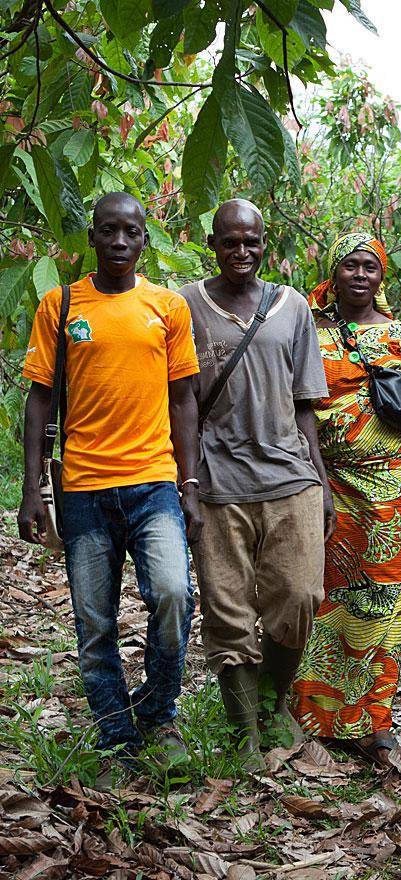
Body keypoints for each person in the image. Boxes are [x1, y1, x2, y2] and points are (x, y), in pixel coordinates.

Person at [17, 192, 201, 772]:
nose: (120, 241)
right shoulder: (61, 303)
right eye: (109, 231)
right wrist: (31, 491)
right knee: (93, 620)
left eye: (132, 232)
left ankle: (158, 714)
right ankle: (114, 733)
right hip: (84, 488)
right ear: (91, 237)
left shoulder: (167, 308)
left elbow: (184, 399)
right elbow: (40, 398)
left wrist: (189, 483)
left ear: (145, 240)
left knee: (173, 596)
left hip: (153, 482)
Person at [179, 199, 333, 770]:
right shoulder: (187, 305)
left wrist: (320, 479)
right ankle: (245, 729)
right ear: (212, 243)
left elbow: (305, 404)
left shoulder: (292, 307)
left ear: (265, 244)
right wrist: (188, 482)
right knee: (228, 608)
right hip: (218, 479)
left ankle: (273, 700)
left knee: (298, 596)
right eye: (229, 242)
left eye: (251, 242)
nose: (241, 252)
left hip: (289, 475)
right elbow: (183, 405)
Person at [292, 231, 401, 765]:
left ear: (382, 277)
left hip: (389, 488)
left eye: (369, 267)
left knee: (381, 602)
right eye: (350, 266)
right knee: (326, 597)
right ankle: (313, 714)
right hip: (327, 483)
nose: (360, 275)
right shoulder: (308, 331)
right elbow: (300, 409)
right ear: (333, 273)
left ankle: (373, 719)